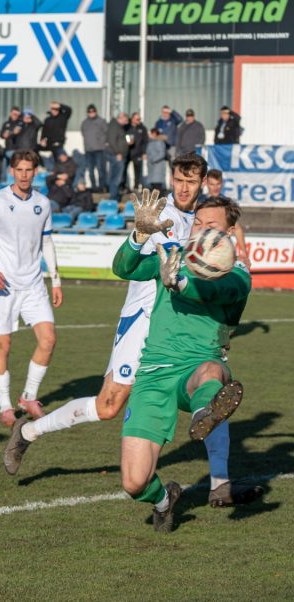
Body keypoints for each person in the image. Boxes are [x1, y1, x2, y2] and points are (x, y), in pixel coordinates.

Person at [2, 154, 262, 509]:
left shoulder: (206, 222)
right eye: (179, 180)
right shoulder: (159, 212)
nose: (184, 188)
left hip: (188, 324)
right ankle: (29, 431)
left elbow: (230, 269)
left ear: (203, 183)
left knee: (213, 389)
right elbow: (125, 266)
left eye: (192, 181)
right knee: (109, 405)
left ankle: (220, 482)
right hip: (142, 320)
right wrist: (139, 234)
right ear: (171, 178)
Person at [113, 195, 250, 532]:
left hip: (197, 365)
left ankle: (207, 412)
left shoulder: (238, 274)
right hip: (153, 374)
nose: (200, 230)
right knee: (133, 482)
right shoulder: (172, 256)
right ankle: (164, 500)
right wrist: (139, 236)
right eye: (198, 223)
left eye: (211, 226)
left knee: (211, 373)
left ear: (231, 232)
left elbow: (212, 292)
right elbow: (123, 268)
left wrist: (180, 281)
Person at [0, 149, 63, 427]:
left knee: (48, 339)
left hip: (34, 283)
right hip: (3, 286)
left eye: (29, 170)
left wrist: (56, 279)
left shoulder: (43, 203)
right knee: (3, 344)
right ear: (11, 171)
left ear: (36, 172)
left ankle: (28, 396)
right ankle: (4, 406)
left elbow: (47, 242)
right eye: (19, 170)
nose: (24, 175)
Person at [205, 169, 250, 266]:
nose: (215, 188)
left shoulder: (226, 203)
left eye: (218, 184)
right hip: (203, 251)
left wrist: (244, 254)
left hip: (223, 251)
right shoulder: (199, 203)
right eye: (212, 184)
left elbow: (237, 228)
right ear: (206, 183)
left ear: (222, 183)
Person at [80, 104, 108, 191]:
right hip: (88, 150)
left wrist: (102, 143)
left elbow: (107, 133)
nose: (91, 113)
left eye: (93, 111)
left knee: (100, 170)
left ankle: (101, 187)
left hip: (99, 149)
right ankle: (93, 187)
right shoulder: (84, 123)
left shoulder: (101, 121)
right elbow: (83, 133)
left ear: (96, 111)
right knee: (91, 171)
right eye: (89, 112)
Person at [107, 112, 129, 200]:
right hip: (117, 156)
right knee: (116, 177)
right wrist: (118, 153)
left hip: (119, 155)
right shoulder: (114, 126)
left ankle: (114, 195)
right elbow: (112, 141)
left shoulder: (119, 127)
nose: (127, 122)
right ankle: (114, 197)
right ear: (120, 118)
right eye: (125, 120)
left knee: (117, 177)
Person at [126, 112, 148, 193]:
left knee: (138, 171)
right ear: (133, 119)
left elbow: (145, 141)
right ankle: (125, 187)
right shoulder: (127, 127)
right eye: (137, 119)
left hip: (138, 153)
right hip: (127, 152)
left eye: (140, 119)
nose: (139, 120)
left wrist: (144, 152)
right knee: (124, 170)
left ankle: (136, 187)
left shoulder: (142, 128)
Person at [145, 128, 168, 193]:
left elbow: (162, 153)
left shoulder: (159, 142)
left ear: (154, 134)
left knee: (157, 185)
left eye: (150, 133)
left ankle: (159, 200)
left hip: (157, 166)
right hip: (152, 166)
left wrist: (153, 160)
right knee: (153, 185)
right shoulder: (151, 142)